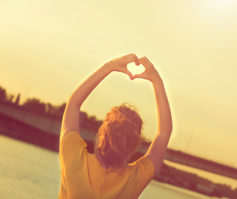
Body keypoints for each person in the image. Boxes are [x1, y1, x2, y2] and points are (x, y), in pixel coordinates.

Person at [58, 54, 173, 199]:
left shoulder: (74, 160)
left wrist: (110, 66)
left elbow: (73, 104)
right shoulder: (134, 180)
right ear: (132, 147)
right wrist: (157, 80)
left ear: (101, 135)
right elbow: (164, 132)